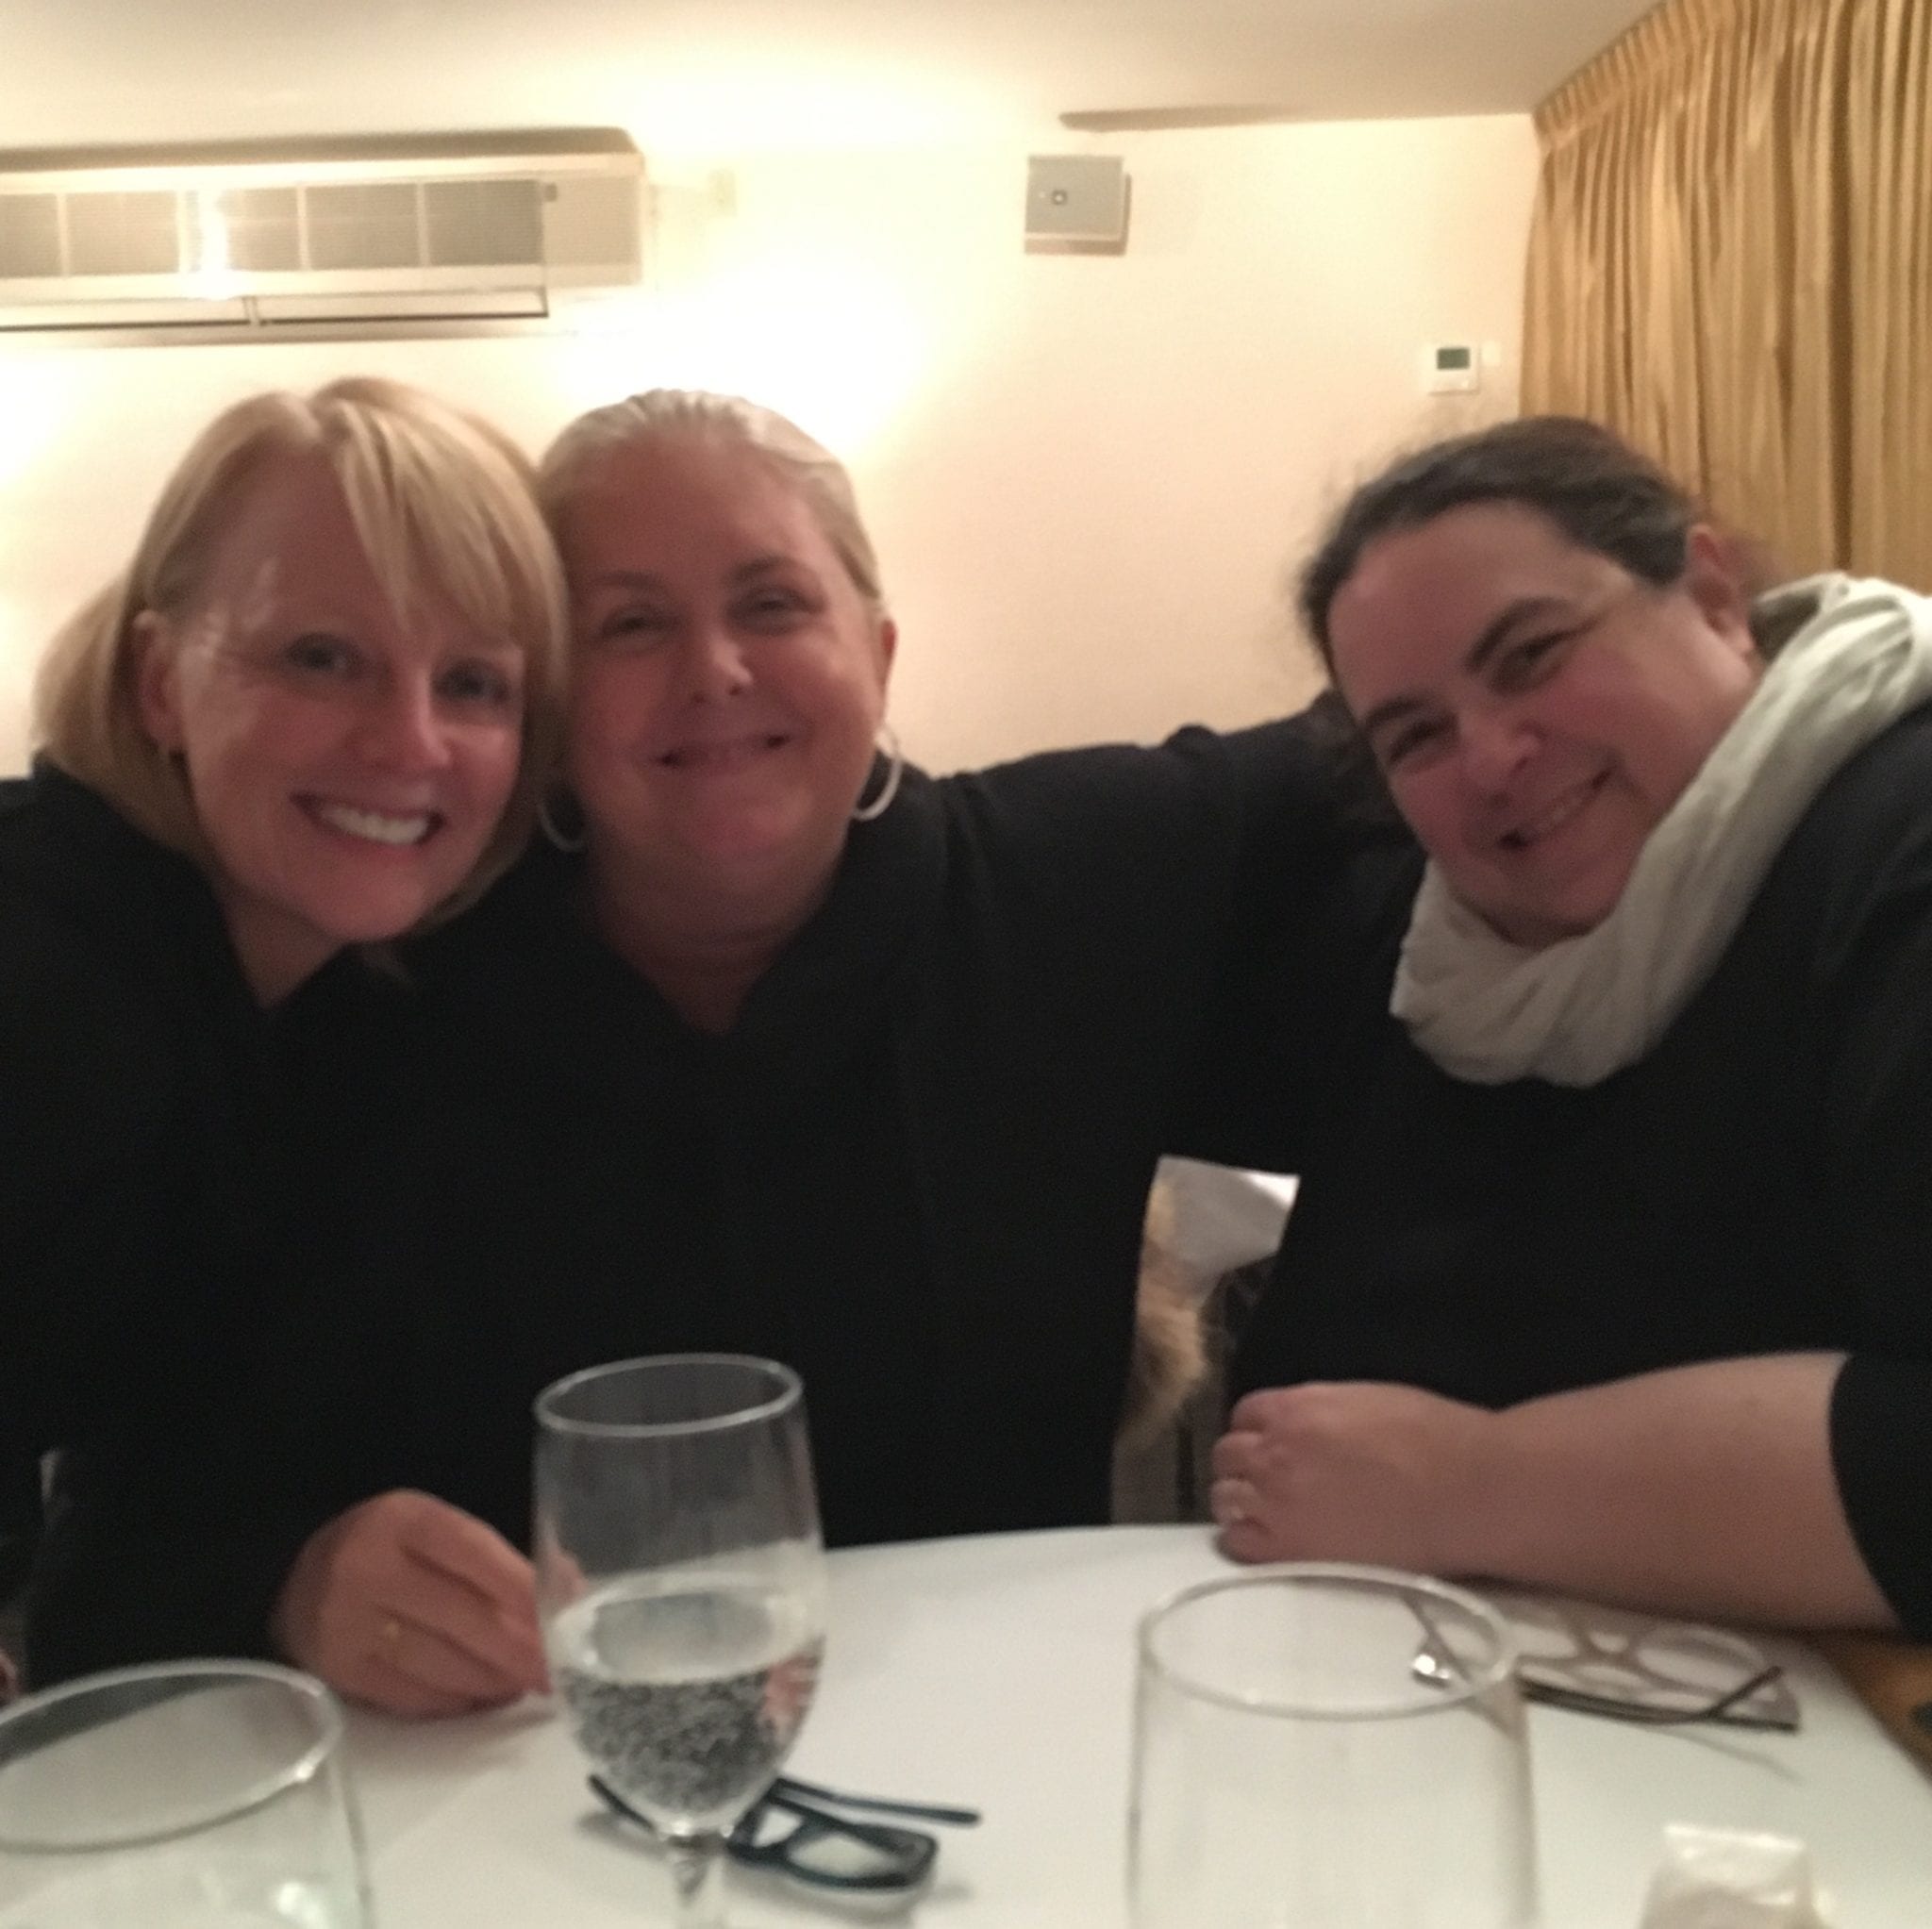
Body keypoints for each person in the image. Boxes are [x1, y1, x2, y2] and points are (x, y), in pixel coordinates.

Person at [35, 390, 1392, 1716]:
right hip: (498, 1795)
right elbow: (121, 1540)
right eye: (630, 624)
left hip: (1010, 1757)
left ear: (879, 651)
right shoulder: (370, 984)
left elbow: (1420, 729)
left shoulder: (1077, 883)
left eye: (774, 603)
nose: (716, 671)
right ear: (553, 706)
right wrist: (292, 1581)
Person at [1213, 416, 1932, 1638]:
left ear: (1714, 596)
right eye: (1416, 735)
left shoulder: (1893, 846)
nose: (1493, 758)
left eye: (1533, 655)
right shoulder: (1430, 948)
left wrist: (1468, 1484)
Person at [7, 377, 570, 1685]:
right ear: (160, 681)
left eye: (473, 682)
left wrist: (282, 1580)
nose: (411, 742)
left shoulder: (339, 1013)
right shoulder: (46, 994)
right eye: (322, 657)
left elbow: (141, 1507)